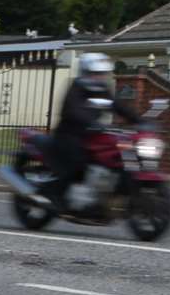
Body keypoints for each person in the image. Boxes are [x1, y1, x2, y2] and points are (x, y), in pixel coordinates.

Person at [38, 52, 140, 210]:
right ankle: (55, 195)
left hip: (92, 135)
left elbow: (118, 106)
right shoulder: (76, 88)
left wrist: (140, 121)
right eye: (94, 73)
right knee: (77, 162)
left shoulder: (103, 90)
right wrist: (91, 122)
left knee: (112, 157)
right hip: (69, 135)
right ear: (84, 72)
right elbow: (72, 110)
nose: (98, 77)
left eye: (101, 74)